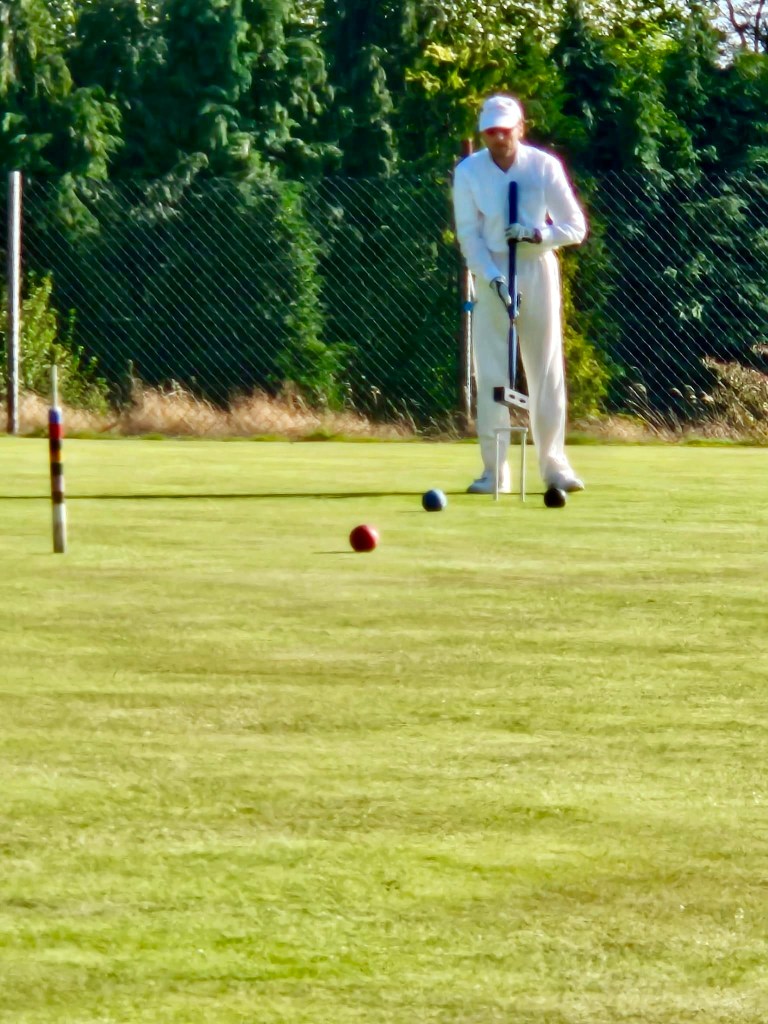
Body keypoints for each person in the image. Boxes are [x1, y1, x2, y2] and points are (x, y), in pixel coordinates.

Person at [452, 94, 588, 494]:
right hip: (492, 268)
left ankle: (554, 466)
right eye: (490, 131)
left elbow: (575, 226)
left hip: (536, 265)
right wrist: (493, 279)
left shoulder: (543, 167)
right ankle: (495, 471)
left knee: (545, 369)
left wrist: (536, 233)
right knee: (492, 372)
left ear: (520, 128)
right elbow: (469, 234)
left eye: (505, 130)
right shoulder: (469, 172)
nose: (497, 138)